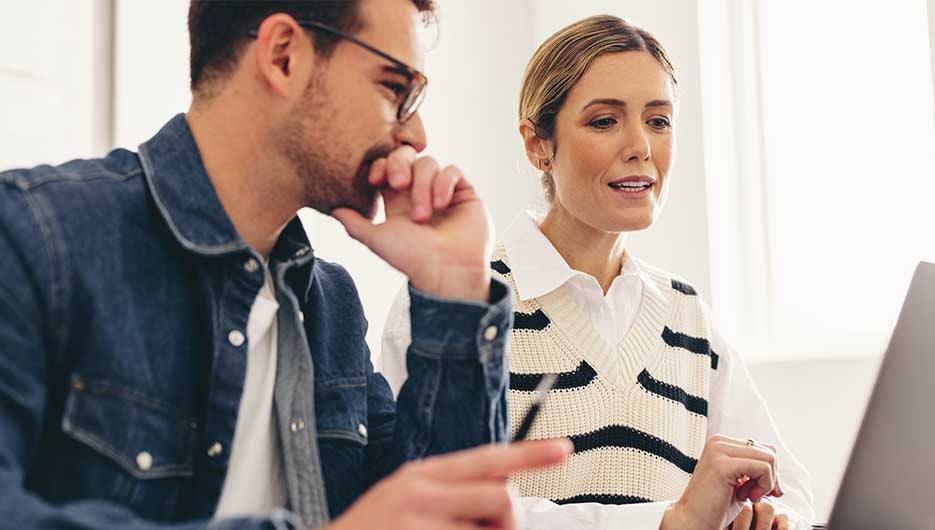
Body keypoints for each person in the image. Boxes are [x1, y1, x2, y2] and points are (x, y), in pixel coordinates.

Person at [0, 1, 574, 529]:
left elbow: (447, 517)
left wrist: (455, 291)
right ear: (283, 56)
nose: (416, 135)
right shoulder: (32, 236)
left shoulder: (332, 309)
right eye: (395, 88)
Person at [380, 15, 815, 530]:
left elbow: (795, 498)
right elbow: (424, 506)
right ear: (538, 144)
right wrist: (670, 522)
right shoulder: (453, 299)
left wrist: (767, 517)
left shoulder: (692, 322)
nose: (641, 147)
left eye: (658, 120)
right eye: (604, 121)